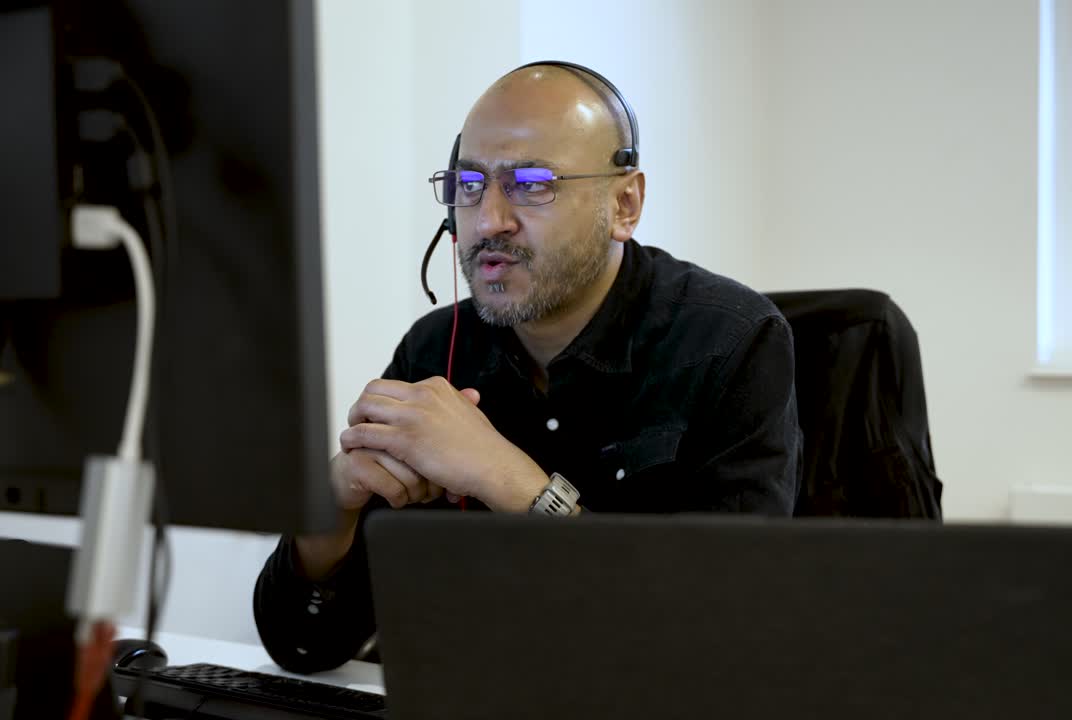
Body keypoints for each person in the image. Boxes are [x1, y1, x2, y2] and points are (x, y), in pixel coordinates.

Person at [253, 63, 801, 672]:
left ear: (625, 204)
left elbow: (729, 637)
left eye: (532, 183)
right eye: (468, 184)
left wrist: (511, 481)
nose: (488, 221)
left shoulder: (730, 343)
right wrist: (330, 513)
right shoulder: (436, 352)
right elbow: (304, 649)